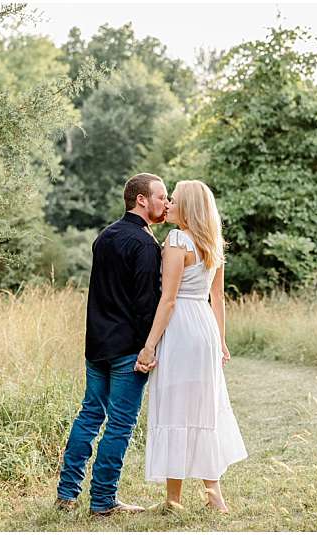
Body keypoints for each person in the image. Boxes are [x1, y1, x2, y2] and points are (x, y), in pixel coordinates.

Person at [54, 173, 169, 517]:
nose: (166, 203)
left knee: (89, 415)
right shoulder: (145, 245)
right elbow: (146, 304)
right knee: (119, 424)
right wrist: (149, 348)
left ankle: (66, 494)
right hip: (127, 350)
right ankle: (103, 501)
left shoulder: (105, 236)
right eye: (161, 196)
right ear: (141, 200)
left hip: (97, 346)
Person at [135, 180, 247, 513]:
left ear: (188, 208)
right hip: (205, 327)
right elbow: (218, 297)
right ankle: (216, 498)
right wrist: (221, 339)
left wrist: (149, 346)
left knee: (176, 405)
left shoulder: (177, 240)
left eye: (175, 200)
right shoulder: (212, 241)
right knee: (204, 407)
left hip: (182, 327)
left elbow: (168, 300)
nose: (167, 204)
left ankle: (174, 500)